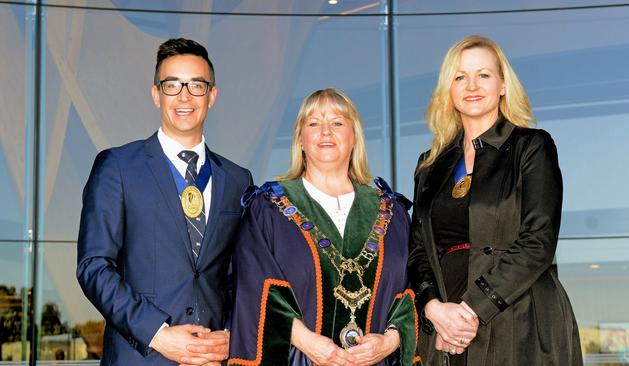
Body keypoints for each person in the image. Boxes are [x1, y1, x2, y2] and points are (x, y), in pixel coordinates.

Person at [408, 35, 583, 366]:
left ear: (502, 84)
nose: (472, 85)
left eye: (483, 74)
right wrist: (433, 308)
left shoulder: (532, 147)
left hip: (520, 318)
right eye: (460, 77)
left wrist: (473, 309)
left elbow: (538, 241)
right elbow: (418, 251)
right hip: (445, 330)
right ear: (449, 89)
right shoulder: (430, 165)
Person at [76, 38, 252, 366]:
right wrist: (159, 334)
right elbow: (94, 266)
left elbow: (240, 275)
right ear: (156, 93)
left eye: (196, 85)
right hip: (141, 356)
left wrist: (230, 334)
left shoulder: (238, 180)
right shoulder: (117, 166)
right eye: (172, 85)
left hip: (214, 359)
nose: (184, 96)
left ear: (212, 95)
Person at [228, 88, 420, 366]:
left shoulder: (391, 213)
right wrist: (311, 344)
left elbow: (411, 292)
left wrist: (388, 342)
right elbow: (253, 291)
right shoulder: (268, 210)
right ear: (300, 139)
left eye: (338, 123)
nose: (326, 132)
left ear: (354, 137)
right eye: (314, 123)